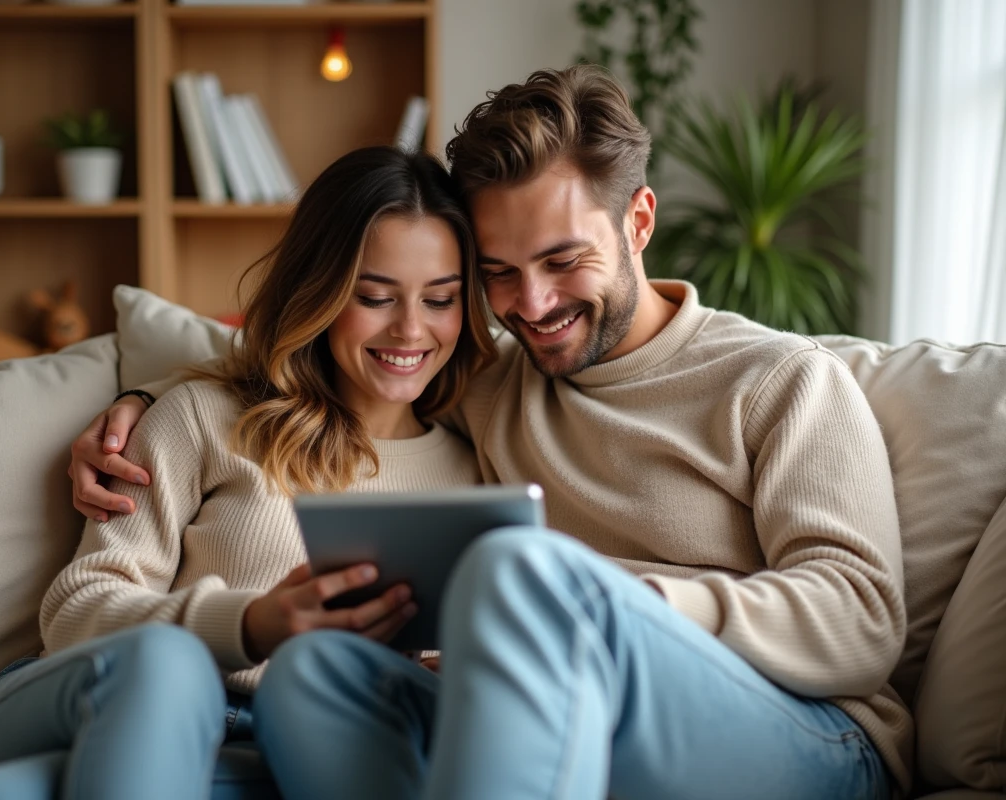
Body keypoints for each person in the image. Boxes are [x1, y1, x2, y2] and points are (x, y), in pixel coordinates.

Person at [70, 66, 909, 800]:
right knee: (309, 677)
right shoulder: (496, 379)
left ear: (640, 222)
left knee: (522, 572)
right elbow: (338, 347)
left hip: (800, 733)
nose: (534, 306)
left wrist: (621, 607)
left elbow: (863, 621)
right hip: (564, 702)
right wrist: (140, 398)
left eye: (563, 260)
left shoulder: (784, 382)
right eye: (499, 274)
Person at [0, 145, 496, 800]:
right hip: (112, 701)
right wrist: (251, 623)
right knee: (168, 668)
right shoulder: (203, 418)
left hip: (271, 752)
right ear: (319, 291)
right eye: (374, 296)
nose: (410, 330)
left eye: (441, 299)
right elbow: (74, 612)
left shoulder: (473, 469)